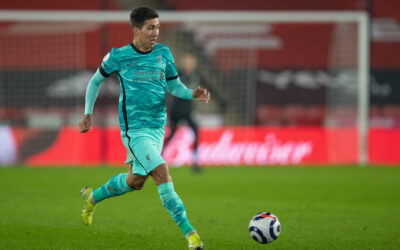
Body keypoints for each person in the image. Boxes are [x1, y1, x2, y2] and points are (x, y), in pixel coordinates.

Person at [78, 7, 209, 250]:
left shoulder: (163, 53)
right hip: (134, 130)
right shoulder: (118, 56)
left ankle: (92, 197)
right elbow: (95, 81)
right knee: (161, 172)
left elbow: (174, 86)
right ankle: (191, 236)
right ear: (136, 30)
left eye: (158, 27)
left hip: (157, 128)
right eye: (151, 27)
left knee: (135, 181)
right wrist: (87, 113)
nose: (156, 32)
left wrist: (192, 94)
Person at [165, 53, 226, 172]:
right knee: (171, 134)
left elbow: (209, 87)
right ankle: (158, 159)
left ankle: (195, 163)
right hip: (176, 110)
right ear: (183, 64)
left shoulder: (196, 75)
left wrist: (220, 100)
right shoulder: (177, 75)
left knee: (195, 131)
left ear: (194, 64)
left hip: (188, 110)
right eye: (186, 63)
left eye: (191, 63)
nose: (188, 65)